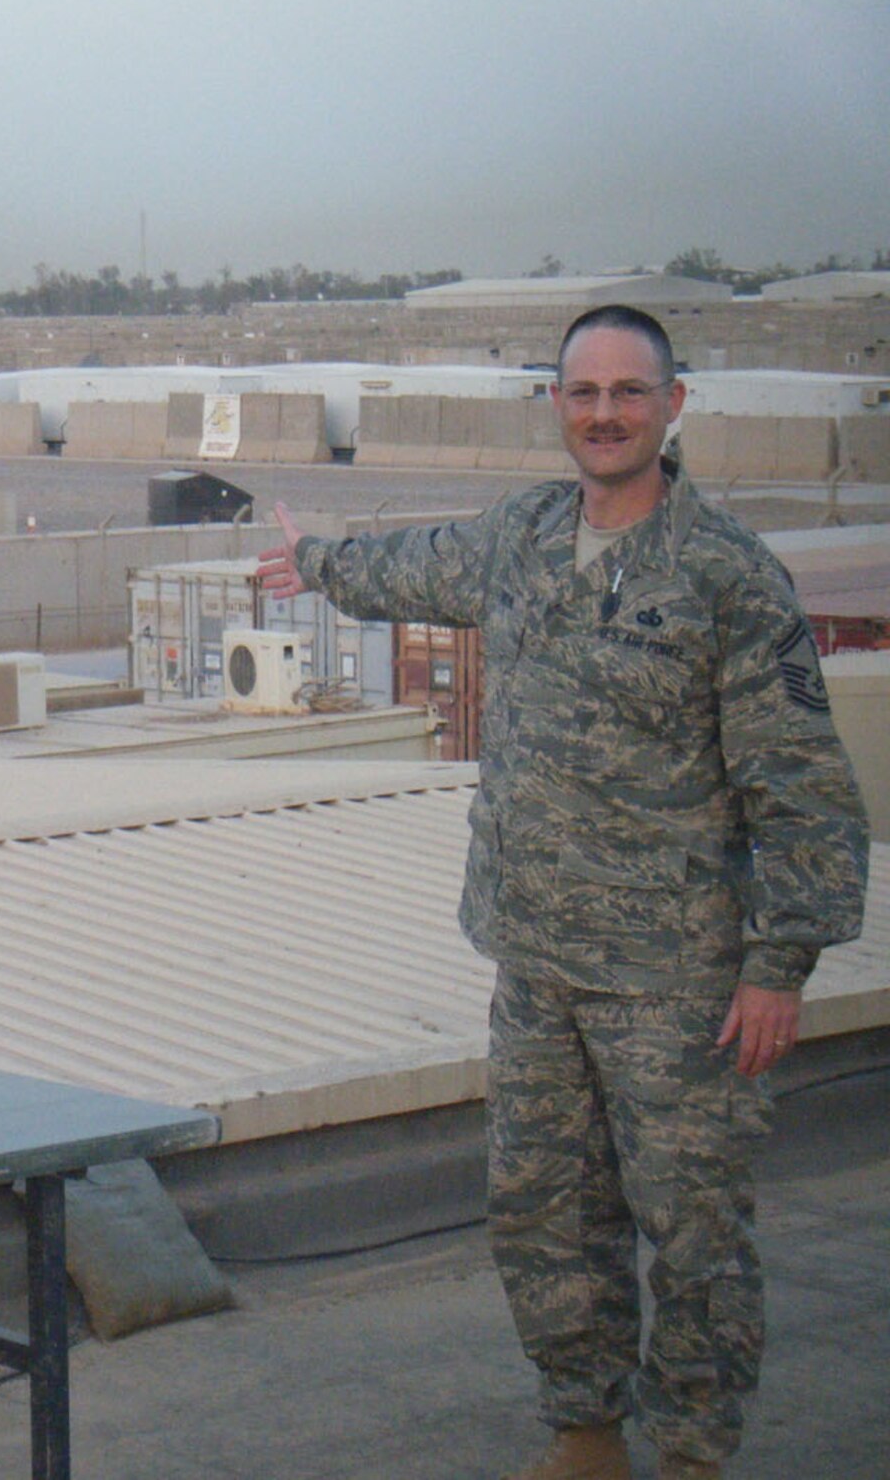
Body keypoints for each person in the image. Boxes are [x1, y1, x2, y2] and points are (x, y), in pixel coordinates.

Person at [255, 304, 869, 1480]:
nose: (602, 413)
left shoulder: (726, 577)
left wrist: (776, 965)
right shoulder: (522, 536)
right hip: (534, 964)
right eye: (581, 393)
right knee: (541, 1217)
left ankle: (690, 1456)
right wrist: (320, 562)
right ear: (555, 407)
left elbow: (800, 787)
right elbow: (412, 565)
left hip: (674, 986)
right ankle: (585, 1435)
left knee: (690, 1238)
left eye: (627, 392)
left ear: (671, 406)